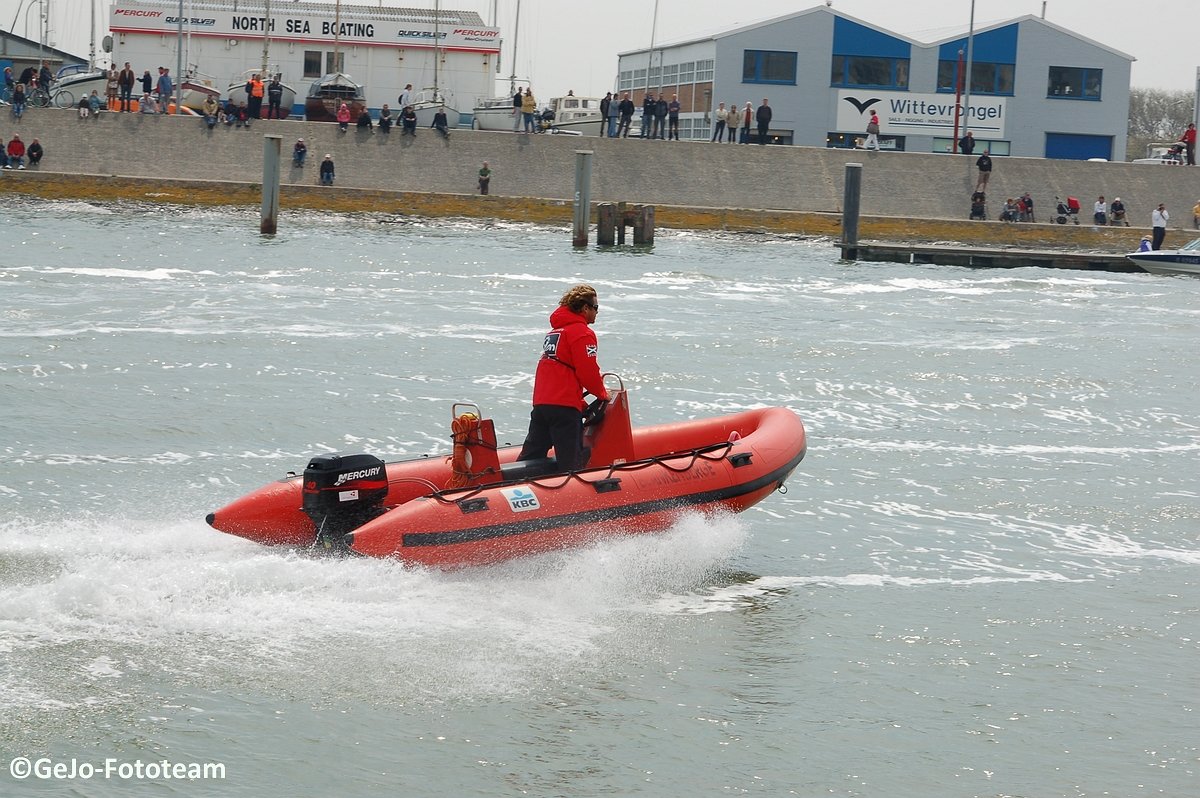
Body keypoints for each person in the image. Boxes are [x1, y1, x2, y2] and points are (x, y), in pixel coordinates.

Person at [516, 284, 610, 473]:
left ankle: (510, 490)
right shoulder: (582, 333)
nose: (597, 313)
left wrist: (581, 403)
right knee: (571, 463)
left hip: (542, 404)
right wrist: (602, 394)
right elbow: (587, 371)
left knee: (531, 456)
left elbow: (559, 371)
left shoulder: (555, 333)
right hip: (564, 408)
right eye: (596, 308)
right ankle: (575, 500)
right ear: (585, 308)